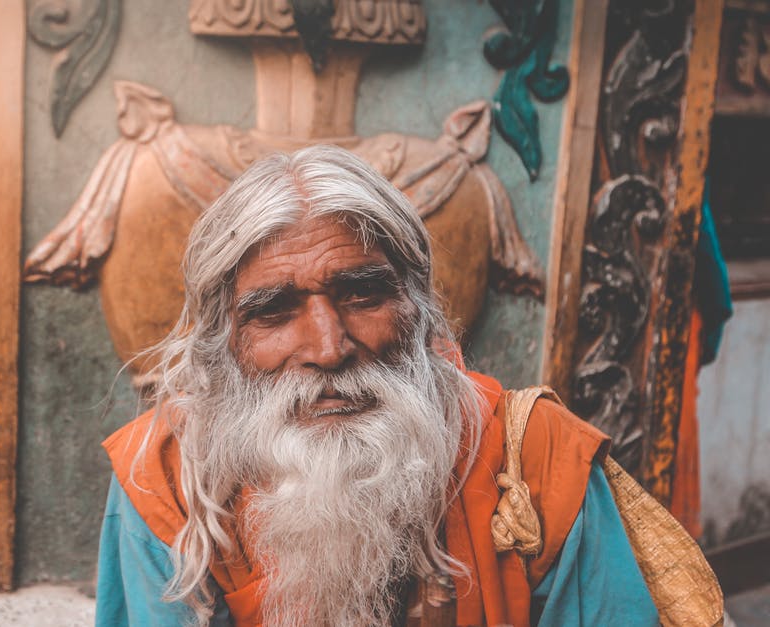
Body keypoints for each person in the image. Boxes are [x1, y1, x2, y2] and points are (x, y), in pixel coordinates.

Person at [93, 145, 716, 626]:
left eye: (362, 294)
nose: (328, 347)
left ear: (418, 309)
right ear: (225, 342)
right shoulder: (167, 478)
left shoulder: (538, 462)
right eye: (275, 311)